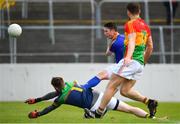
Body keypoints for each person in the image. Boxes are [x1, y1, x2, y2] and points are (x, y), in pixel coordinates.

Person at [85, 2, 157, 119]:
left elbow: (132, 41)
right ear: (139, 11)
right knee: (125, 91)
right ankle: (149, 102)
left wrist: (128, 57)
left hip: (131, 61)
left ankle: (98, 112)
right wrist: (143, 62)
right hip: (139, 63)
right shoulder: (145, 26)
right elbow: (150, 47)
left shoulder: (130, 24)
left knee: (111, 86)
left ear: (128, 12)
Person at [25, 77, 150, 119]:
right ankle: (151, 117)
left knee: (87, 117)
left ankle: (94, 114)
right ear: (63, 81)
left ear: (55, 87)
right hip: (103, 97)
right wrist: (37, 100)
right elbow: (53, 94)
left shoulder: (60, 99)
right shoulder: (71, 83)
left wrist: (38, 114)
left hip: (95, 108)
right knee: (130, 109)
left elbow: (50, 106)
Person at [83, 22, 125, 89]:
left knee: (108, 84)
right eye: (104, 31)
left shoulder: (115, 43)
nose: (105, 33)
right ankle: (85, 87)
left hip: (122, 68)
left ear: (113, 30)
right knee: (125, 92)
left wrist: (110, 42)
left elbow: (108, 54)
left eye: (106, 31)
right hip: (125, 66)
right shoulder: (124, 37)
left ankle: (84, 88)